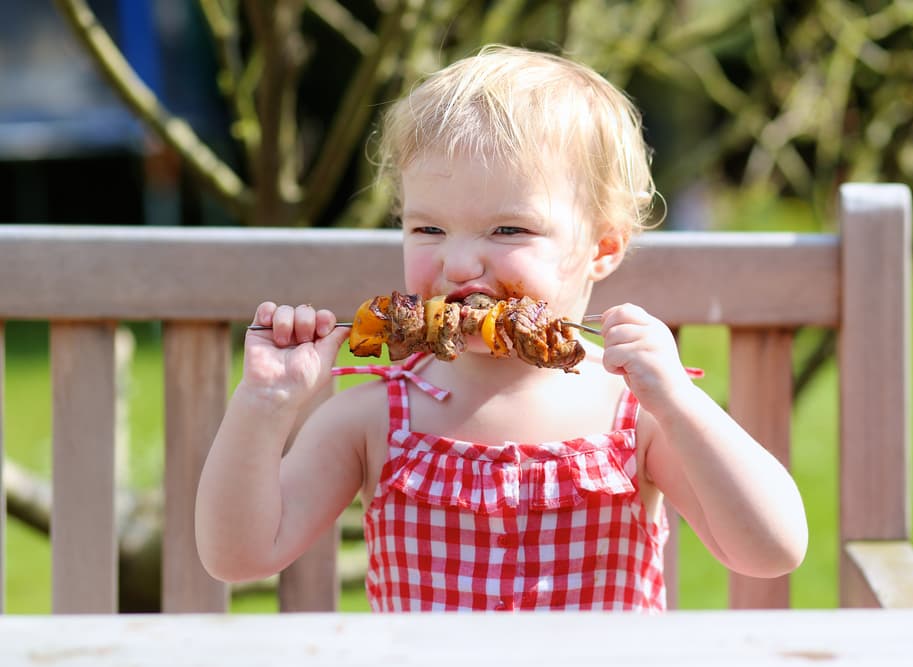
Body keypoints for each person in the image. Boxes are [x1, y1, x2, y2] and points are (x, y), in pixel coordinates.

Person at [195, 44, 808, 612]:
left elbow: (771, 551)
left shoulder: (634, 415)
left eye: (508, 229)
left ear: (603, 248)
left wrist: (679, 403)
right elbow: (239, 557)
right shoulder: (373, 420)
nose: (459, 263)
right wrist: (263, 405)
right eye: (428, 229)